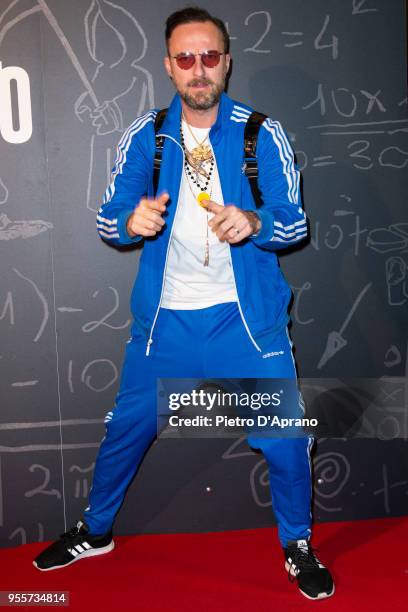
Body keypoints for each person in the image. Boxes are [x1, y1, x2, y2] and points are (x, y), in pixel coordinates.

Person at [33, 6, 334, 601]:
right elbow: (108, 214)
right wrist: (129, 219)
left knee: (287, 438)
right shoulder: (144, 134)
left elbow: (294, 221)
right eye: (186, 58)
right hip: (163, 326)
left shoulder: (259, 134)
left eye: (210, 56)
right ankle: (96, 532)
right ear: (169, 66)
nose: (199, 69)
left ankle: (296, 543)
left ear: (227, 62)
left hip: (245, 323)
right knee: (125, 431)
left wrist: (255, 220)